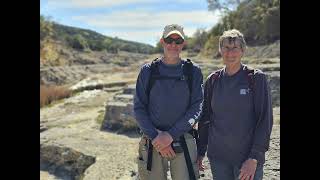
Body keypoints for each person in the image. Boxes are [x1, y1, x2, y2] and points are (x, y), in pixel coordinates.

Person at [197, 29, 273, 180]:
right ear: (220, 50)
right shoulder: (213, 80)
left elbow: (265, 121)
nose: (230, 53)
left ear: (243, 50)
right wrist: (200, 151)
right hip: (218, 158)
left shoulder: (256, 79)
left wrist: (254, 157)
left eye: (235, 48)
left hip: (247, 159)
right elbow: (205, 118)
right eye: (226, 47)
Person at [133, 24, 204, 180]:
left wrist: (170, 135)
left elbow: (197, 107)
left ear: (183, 43)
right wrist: (156, 137)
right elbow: (139, 108)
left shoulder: (193, 71)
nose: (173, 44)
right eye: (169, 40)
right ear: (162, 41)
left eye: (178, 40)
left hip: (184, 138)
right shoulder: (147, 71)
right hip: (152, 141)